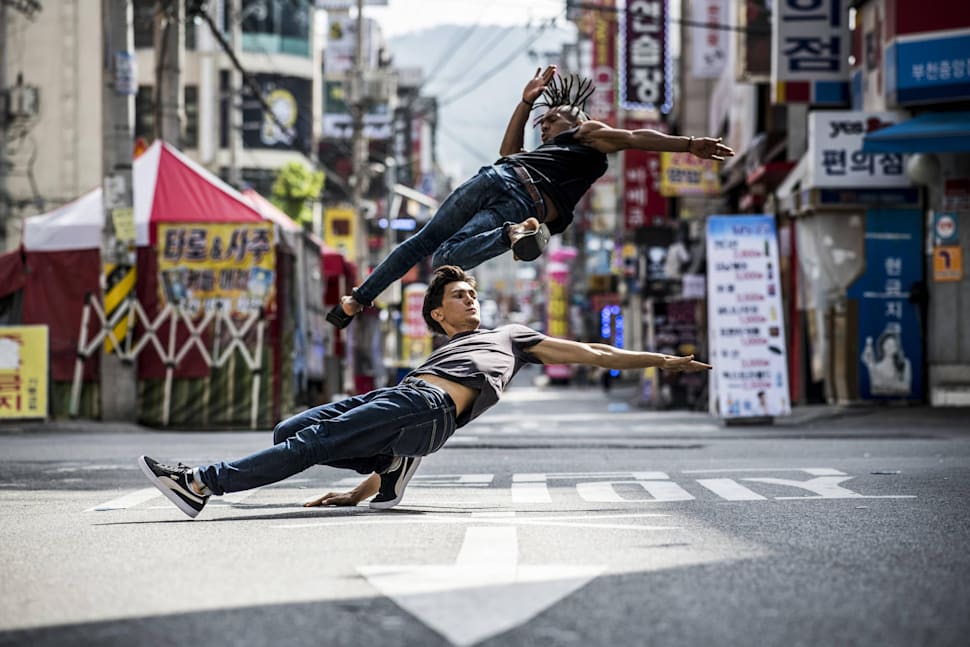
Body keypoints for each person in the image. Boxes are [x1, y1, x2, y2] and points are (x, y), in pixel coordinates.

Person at [140, 266, 713, 519]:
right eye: (459, 297)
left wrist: (662, 361)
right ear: (438, 315)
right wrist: (365, 490)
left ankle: (201, 484)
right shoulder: (439, 349)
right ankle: (391, 469)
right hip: (404, 400)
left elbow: (596, 353)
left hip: (428, 408)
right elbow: (396, 413)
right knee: (291, 431)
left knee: (314, 441)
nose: (471, 300)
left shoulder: (511, 337)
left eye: (471, 293)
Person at [326, 65, 734, 329]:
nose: (544, 126)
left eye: (549, 119)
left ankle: (510, 235)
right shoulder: (548, 149)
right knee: (425, 247)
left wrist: (689, 143)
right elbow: (508, 152)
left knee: (441, 258)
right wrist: (526, 102)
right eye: (541, 123)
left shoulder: (588, 133)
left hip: (518, 198)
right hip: (499, 179)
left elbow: (633, 138)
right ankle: (358, 299)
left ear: (576, 115)